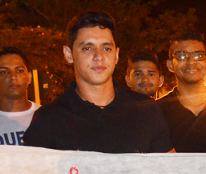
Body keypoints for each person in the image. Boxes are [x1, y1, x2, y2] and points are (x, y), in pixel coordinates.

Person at [22, 12, 173, 153]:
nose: (99, 56)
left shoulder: (146, 111)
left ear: (116, 55)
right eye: (87, 48)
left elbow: (171, 168)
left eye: (106, 48)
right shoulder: (48, 119)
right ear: (68, 54)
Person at [157, 32, 206, 153]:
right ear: (170, 65)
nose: (191, 61)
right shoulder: (157, 112)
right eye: (182, 56)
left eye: (199, 55)